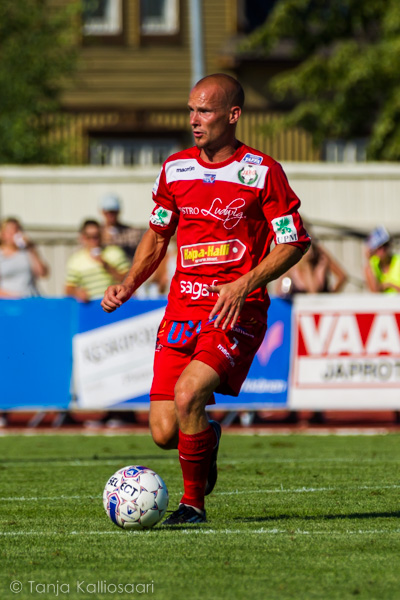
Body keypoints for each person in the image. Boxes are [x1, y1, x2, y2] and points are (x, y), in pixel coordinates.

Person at [101, 73, 310, 525]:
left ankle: (192, 505)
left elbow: (293, 242)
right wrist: (128, 283)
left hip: (236, 308)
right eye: (191, 110)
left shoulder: (262, 171)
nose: (194, 120)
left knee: (190, 392)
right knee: (162, 432)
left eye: (205, 111)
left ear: (232, 116)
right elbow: (158, 237)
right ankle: (207, 438)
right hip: (181, 309)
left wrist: (246, 283)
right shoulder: (175, 169)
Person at [65, 219, 130, 302]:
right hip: (90, 306)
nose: (93, 240)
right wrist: (77, 293)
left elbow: (128, 280)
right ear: (83, 237)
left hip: (114, 303)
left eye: (96, 236)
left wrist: (106, 266)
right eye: (89, 237)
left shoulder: (115, 253)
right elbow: (68, 289)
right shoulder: (75, 260)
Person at [277, 237, 348, 297]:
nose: (309, 251)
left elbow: (314, 292)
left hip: (317, 307)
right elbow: (279, 291)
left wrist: (330, 298)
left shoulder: (321, 260)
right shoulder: (292, 262)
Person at [0, 217, 49, 298]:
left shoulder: (27, 252)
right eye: (10, 231)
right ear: (3, 234)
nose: (14, 233)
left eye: (17, 230)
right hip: (9, 302)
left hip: (31, 298)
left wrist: (31, 249)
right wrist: (14, 296)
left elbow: (42, 273)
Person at [99, 194, 145, 261]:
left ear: (118, 211)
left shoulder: (131, 232)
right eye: (108, 212)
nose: (111, 215)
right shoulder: (97, 233)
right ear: (103, 212)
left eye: (114, 212)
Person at [364, 226, 400, 293]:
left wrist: (389, 285)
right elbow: (374, 291)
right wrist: (368, 260)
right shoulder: (371, 265)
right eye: (379, 247)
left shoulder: (398, 260)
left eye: (385, 245)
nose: (382, 250)